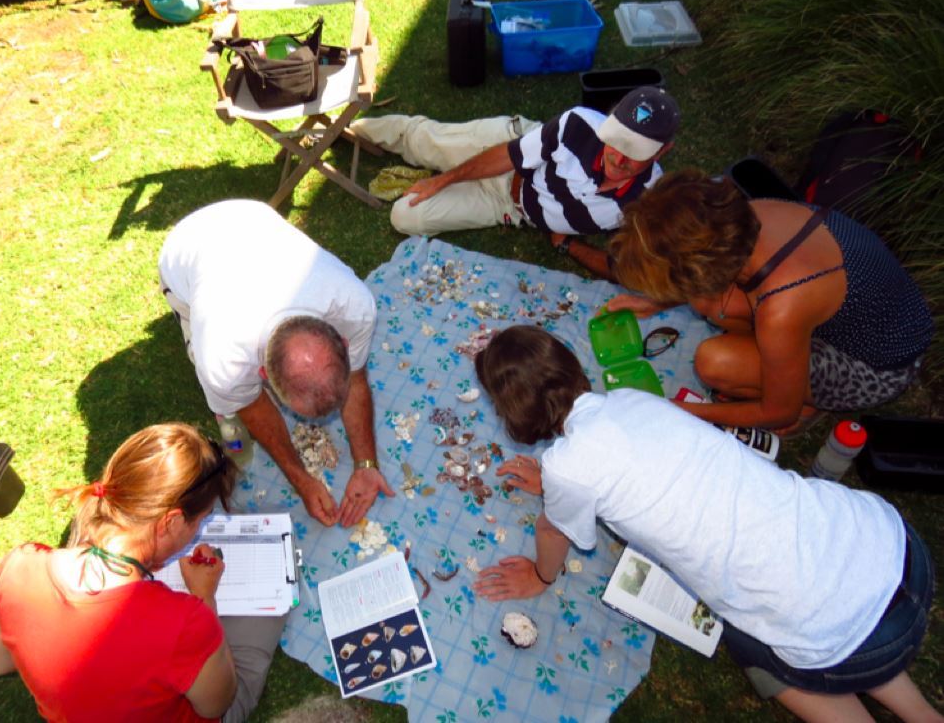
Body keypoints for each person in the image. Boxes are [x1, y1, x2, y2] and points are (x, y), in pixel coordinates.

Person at [472, 326, 941, 723]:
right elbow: (633, 463)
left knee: (750, 646)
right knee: (830, 597)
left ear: (514, 413)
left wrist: (539, 575)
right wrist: (558, 488)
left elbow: (553, 532)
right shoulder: (632, 399)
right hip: (890, 548)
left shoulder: (568, 466)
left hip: (844, 632)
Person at [0, 423, 284, 723]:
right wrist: (204, 598)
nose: (198, 532)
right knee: (270, 606)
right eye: (200, 522)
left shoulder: (17, 566)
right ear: (173, 522)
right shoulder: (187, 622)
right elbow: (216, 705)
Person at [604, 169, 933, 431]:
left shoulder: (783, 305)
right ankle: (787, 371)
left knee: (715, 362)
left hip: (876, 367)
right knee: (711, 306)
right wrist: (656, 302)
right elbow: (708, 279)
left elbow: (778, 412)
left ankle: (812, 402)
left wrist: (678, 411)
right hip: (858, 318)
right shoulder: (746, 217)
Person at [158, 200, 394, 527]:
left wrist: (366, 464)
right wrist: (302, 480)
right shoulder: (222, 358)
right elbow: (255, 409)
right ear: (263, 376)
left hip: (251, 216)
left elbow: (355, 379)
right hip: (186, 248)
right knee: (228, 404)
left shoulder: (353, 305)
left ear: (342, 341)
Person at [350, 86, 680, 279]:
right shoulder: (577, 125)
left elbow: (628, 269)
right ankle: (345, 128)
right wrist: (441, 182)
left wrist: (568, 245)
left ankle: (443, 178)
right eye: (616, 140)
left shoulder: (649, 202)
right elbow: (510, 156)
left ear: (663, 150)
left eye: (634, 151)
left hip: (510, 208)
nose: (619, 158)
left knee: (405, 216)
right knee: (425, 142)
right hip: (510, 157)